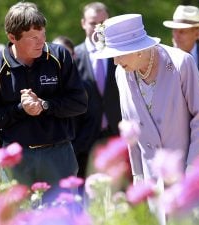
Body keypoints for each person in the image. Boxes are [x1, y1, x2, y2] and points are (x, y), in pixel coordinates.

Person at [93, 14, 199, 222]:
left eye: (118, 54)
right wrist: (137, 176)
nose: (115, 61)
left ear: (137, 49)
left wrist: (191, 170)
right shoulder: (121, 73)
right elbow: (130, 128)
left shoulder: (181, 63)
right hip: (152, 177)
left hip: (189, 170)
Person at [0, 2, 87, 196]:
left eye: (43, 34)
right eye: (33, 37)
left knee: (65, 215)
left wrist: (45, 105)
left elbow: (79, 103)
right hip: (16, 157)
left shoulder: (59, 56)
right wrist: (20, 109)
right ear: (12, 38)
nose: (41, 42)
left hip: (59, 154)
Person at [73, 2, 121, 179]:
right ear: (83, 23)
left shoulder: (120, 54)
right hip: (85, 138)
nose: (98, 28)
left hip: (116, 135)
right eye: (93, 23)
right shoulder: (74, 58)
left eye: (103, 23)